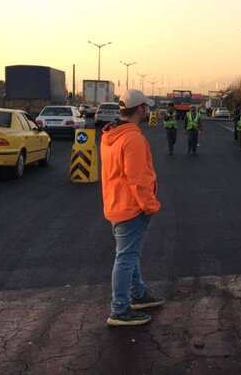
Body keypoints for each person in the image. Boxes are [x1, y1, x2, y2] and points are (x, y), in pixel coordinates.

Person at [100, 89, 163, 327]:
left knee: (130, 254)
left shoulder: (110, 135)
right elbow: (139, 178)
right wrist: (150, 206)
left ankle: (138, 294)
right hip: (132, 208)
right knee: (126, 258)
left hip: (116, 204)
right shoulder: (133, 139)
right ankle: (120, 309)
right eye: (146, 107)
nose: (147, 111)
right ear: (140, 110)